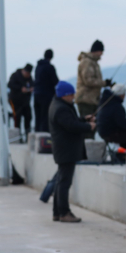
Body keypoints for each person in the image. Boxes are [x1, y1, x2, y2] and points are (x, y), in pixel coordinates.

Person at [48, 81, 96, 223]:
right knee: (64, 182)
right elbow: (71, 126)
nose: (73, 97)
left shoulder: (59, 105)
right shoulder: (61, 109)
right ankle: (64, 213)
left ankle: (57, 213)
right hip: (66, 150)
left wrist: (84, 119)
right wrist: (88, 126)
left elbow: (71, 121)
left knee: (61, 181)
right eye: (71, 94)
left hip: (64, 149)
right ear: (64, 95)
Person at [75, 40, 112, 139]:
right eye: (101, 51)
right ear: (96, 51)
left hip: (92, 100)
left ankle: (89, 147)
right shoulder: (87, 62)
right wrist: (104, 83)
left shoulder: (94, 63)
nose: (102, 54)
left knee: (93, 125)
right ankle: (85, 149)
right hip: (85, 99)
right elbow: (88, 81)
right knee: (87, 126)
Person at [34, 49, 60, 132]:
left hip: (36, 94)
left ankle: (37, 133)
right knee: (45, 116)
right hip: (46, 95)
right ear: (52, 56)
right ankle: (44, 136)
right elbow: (55, 81)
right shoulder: (50, 67)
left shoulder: (38, 67)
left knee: (38, 117)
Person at [7, 64, 34, 137]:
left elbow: (32, 84)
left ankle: (27, 135)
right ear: (23, 71)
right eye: (27, 73)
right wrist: (20, 88)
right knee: (17, 118)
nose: (28, 75)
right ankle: (17, 137)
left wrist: (31, 88)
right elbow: (9, 84)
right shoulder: (15, 75)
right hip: (15, 101)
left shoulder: (29, 77)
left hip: (25, 102)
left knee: (28, 117)